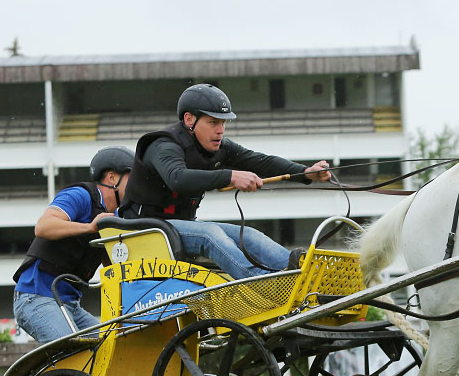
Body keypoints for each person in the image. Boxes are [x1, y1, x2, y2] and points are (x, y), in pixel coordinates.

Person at [119, 83, 332, 279]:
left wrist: (305, 173)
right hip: (144, 229)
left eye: (223, 123)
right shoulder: (163, 145)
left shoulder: (217, 145)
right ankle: (261, 282)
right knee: (209, 234)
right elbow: (177, 179)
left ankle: (307, 275)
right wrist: (231, 175)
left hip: (180, 226)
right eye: (213, 122)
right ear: (189, 120)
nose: (220, 130)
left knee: (247, 235)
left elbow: (259, 161)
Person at [13, 147, 134, 343]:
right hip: (35, 298)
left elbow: (114, 267)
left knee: (111, 347)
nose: (136, 187)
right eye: (132, 179)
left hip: (70, 305)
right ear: (112, 178)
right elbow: (43, 227)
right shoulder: (80, 195)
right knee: (73, 354)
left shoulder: (115, 217)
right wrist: (90, 227)